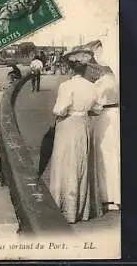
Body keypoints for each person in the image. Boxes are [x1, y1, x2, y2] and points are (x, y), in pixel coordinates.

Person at [49, 59, 104, 223]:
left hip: (68, 125)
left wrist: (60, 112)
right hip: (84, 125)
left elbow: (60, 109)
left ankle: (65, 208)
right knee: (81, 163)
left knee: (65, 163)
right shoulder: (92, 86)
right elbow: (98, 108)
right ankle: (82, 209)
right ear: (85, 69)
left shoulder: (66, 86)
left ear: (70, 69)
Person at [92, 66, 120, 211]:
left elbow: (95, 105)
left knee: (105, 155)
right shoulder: (118, 79)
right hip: (118, 115)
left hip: (105, 117)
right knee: (117, 154)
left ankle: (108, 197)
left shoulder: (101, 83)